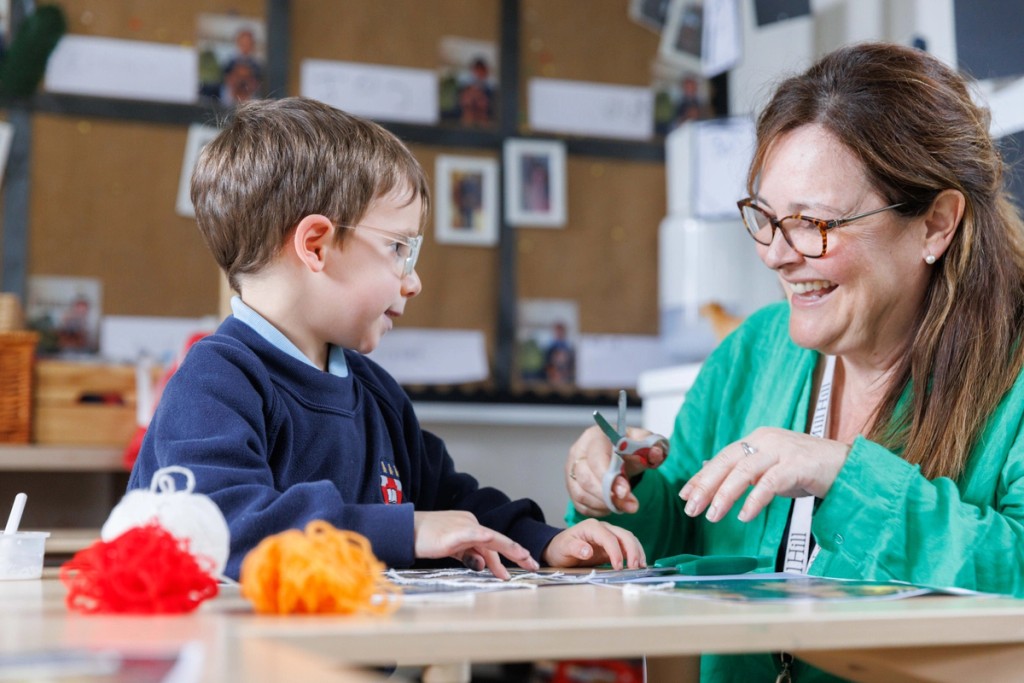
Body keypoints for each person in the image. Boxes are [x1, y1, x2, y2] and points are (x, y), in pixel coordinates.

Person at [564, 42, 1024, 682]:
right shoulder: (754, 353)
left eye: (815, 223)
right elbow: (685, 549)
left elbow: (1015, 573)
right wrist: (629, 490)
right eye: (767, 218)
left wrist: (845, 477)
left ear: (936, 224)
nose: (777, 255)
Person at [127, 97, 644, 581]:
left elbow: (449, 500)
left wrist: (544, 542)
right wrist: (408, 530)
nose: (412, 280)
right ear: (316, 245)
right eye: (398, 248)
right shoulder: (214, 382)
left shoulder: (375, 393)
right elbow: (224, 525)